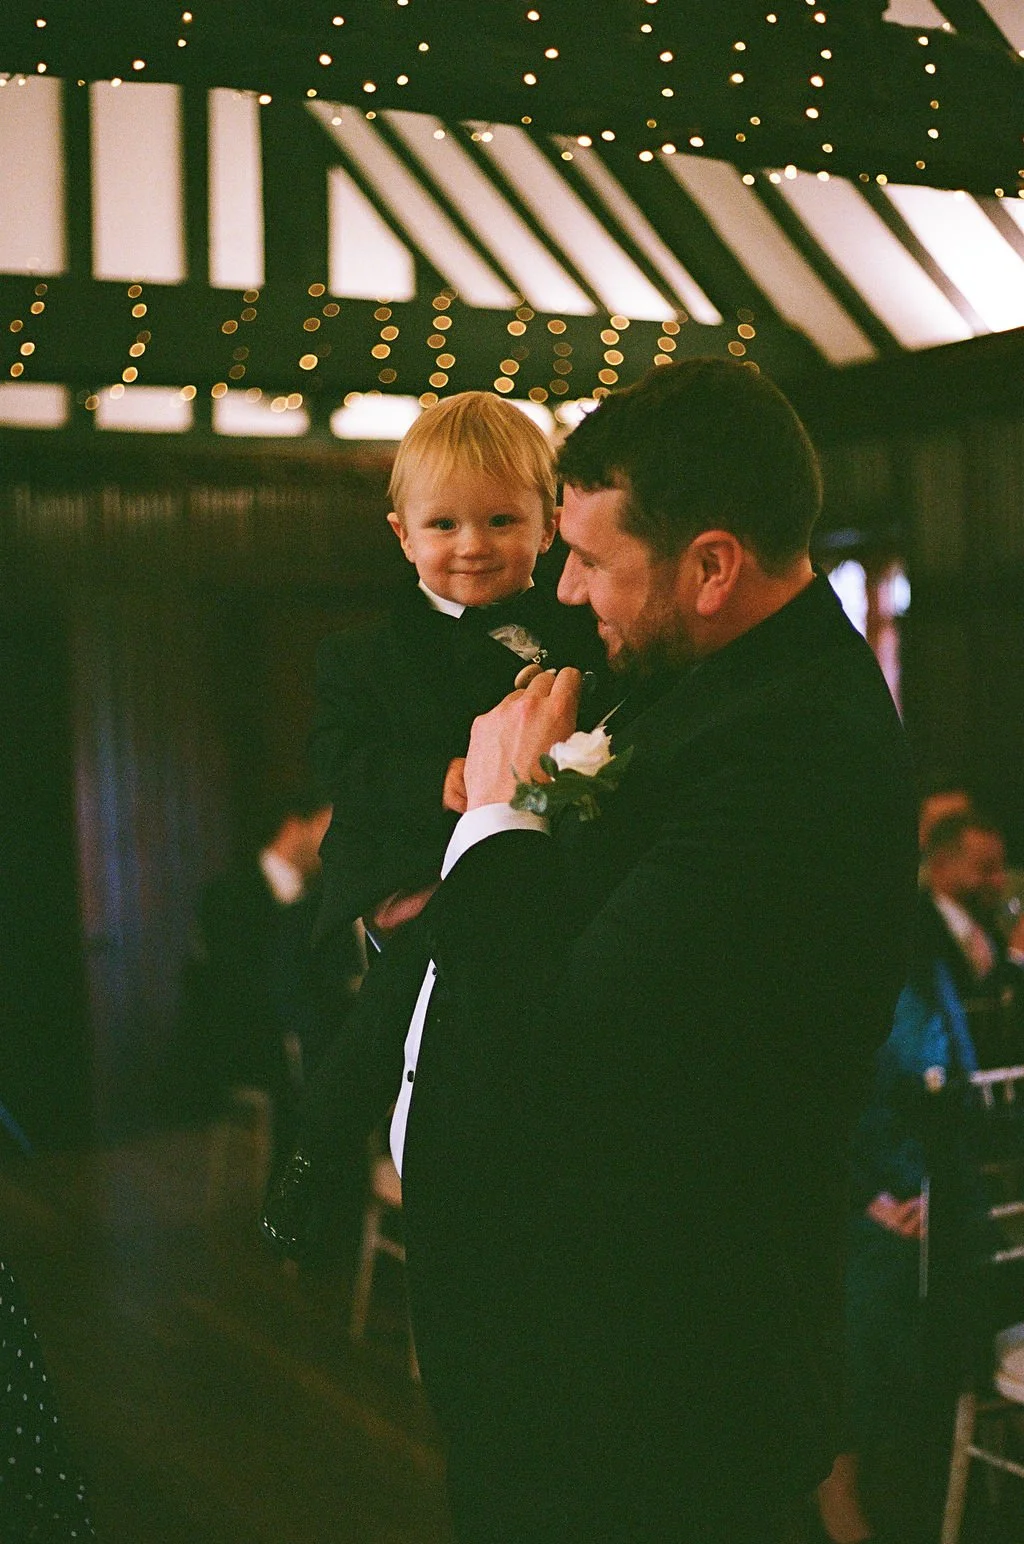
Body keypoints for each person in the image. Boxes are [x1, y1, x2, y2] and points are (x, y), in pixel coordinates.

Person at [285, 358, 919, 1542]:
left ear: (712, 564)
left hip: (655, 1385)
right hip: (574, 1358)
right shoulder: (699, 682)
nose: (565, 593)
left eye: (588, 558)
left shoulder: (787, 754)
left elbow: (580, 1045)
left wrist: (493, 810)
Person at [308, 390, 607, 946]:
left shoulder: (585, 627)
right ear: (404, 536)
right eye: (444, 524)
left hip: (563, 869)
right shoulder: (362, 657)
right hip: (414, 868)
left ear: (548, 528)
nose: (473, 545)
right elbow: (339, 761)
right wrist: (436, 778)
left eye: (500, 520)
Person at [178, 789, 359, 1175]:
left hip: (308, 1041)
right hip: (248, 1046)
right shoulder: (229, 895)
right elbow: (229, 991)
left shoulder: (325, 900)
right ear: (295, 826)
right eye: (329, 825)